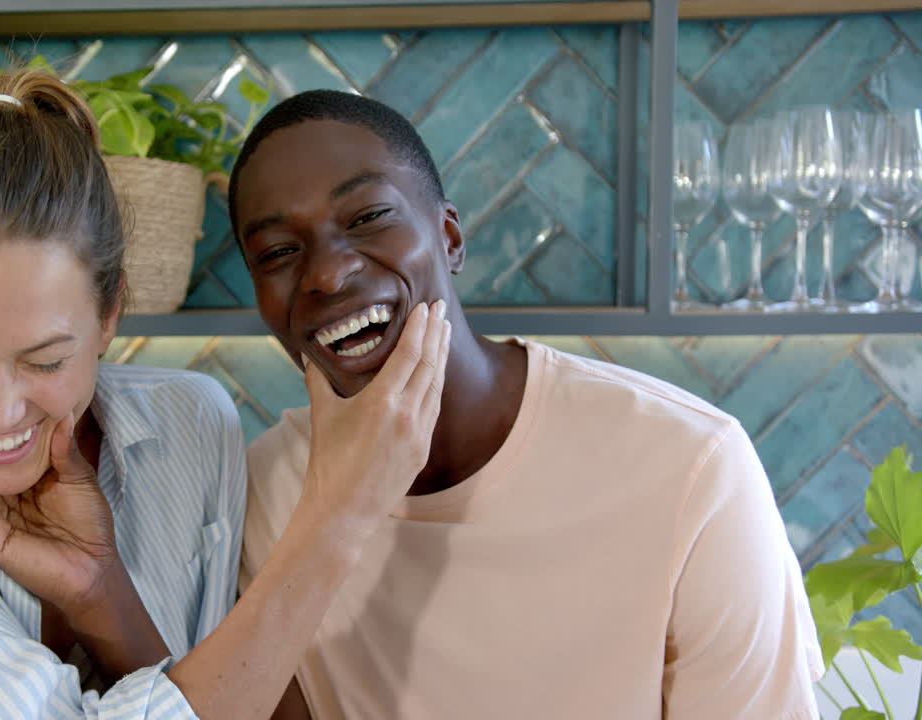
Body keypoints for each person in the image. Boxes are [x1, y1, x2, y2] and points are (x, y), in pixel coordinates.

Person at [0, 71, 451, 719]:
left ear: (109, 314)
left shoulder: (191, 423)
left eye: (44, 359)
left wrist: (102, 597)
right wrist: (336, 518)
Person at [228, 90, 824, 719]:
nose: (326, 273)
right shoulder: (263, 491)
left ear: (450, 238)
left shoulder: (690, 465)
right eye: (277, 253)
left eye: (369, 216)